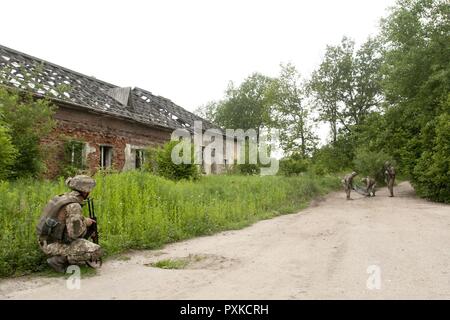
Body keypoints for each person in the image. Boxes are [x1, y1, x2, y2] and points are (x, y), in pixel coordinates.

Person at [36, 175, 103, 273]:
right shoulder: (74, 205)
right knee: (96, 251)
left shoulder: (62, 197)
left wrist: (82, 220)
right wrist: (86, 223)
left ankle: (63, 256)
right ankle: (58, 261)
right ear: (85, 191)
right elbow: (75, 234)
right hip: (52, 244)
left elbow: (64, 220)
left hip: (44, 240)